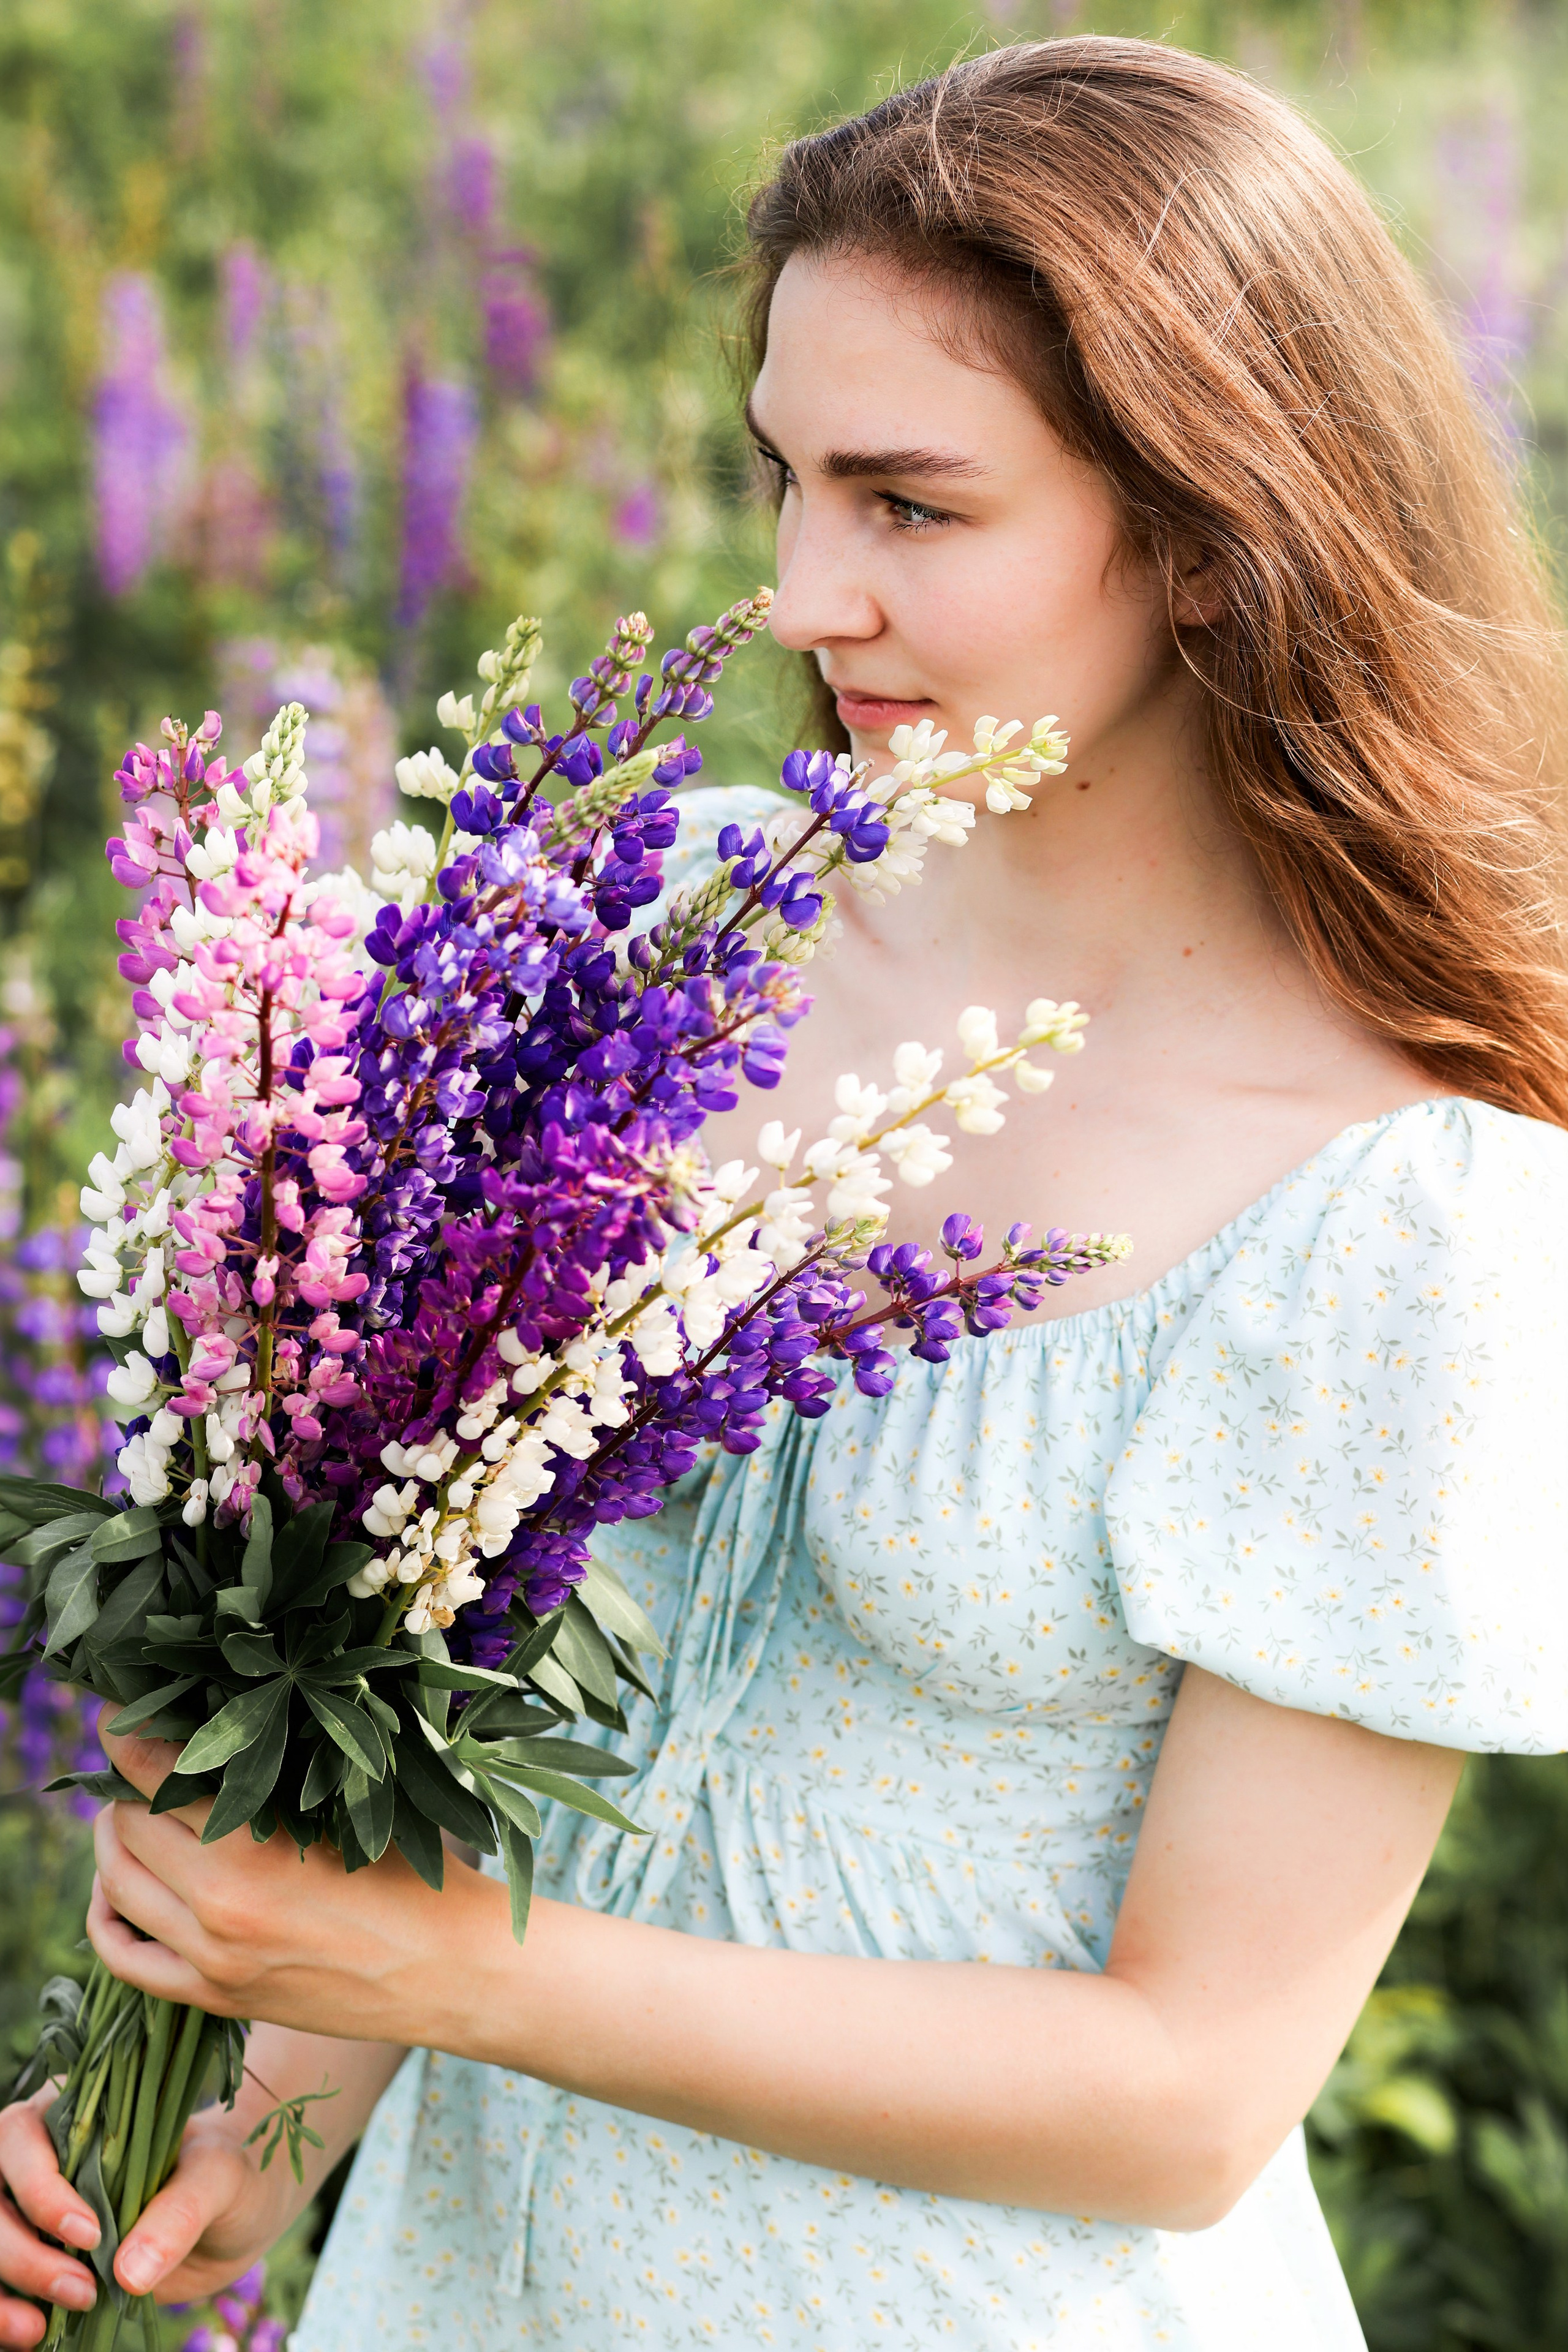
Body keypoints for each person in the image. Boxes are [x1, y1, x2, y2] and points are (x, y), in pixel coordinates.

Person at [3, 34, 1567, 2352]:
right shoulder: (666, 942)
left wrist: (464, 1976)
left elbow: (1186, 2093)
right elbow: (456, 1728)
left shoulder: (1400, 1201)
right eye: (784, 480)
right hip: (464, 2293)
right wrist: (265, 2111)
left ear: (1216, 534)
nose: (805, 594)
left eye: (912, 506)